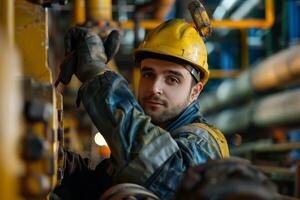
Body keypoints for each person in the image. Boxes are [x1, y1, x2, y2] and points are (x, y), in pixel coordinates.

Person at [53, 18, 229, 200]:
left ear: (195, 91)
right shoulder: (156, 133)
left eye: (172, 79)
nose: (154, 88)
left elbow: (168, 177)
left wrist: (96, 72)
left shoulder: (204, 143)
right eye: (148, 74)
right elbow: (100, 186)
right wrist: (62, 165)